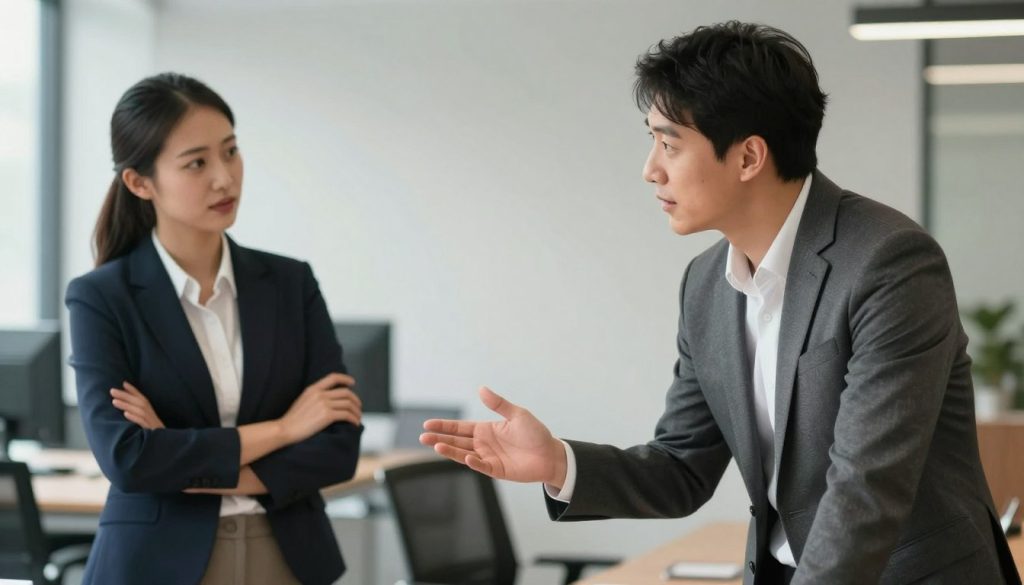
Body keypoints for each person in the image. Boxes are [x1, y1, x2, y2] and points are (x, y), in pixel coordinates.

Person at [421, 21, 1022, 585]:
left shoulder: (889, 262)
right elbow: (683, 466)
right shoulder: (706, 284)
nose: (650, 170)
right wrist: (559, 463)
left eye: (670, 144)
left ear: (748, 157)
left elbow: (867, 488)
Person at [65, 73, 363, 585]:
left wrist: (188, 466)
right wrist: (286, 430)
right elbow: (129, 459)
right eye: (196, 163)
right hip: (156, 564)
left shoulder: (290, 283)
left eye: (230, 152)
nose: (224, 178)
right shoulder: (101, 298)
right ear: (140, 183)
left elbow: (338, 445)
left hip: (289, 557)